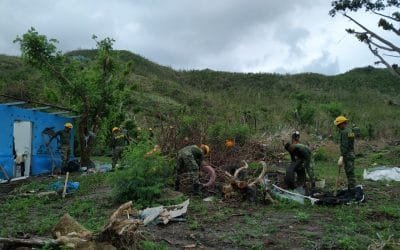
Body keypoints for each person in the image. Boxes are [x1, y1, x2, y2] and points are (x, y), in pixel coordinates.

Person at [334, 115, 356, 196]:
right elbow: (351, 143)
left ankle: (352, 191)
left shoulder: (344, 132)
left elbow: (345, 145)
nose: (338, 127)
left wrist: (342, 156)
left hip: (347, 155)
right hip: (351, 154)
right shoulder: (350, 131)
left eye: (339, 125)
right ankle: (351, 189)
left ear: (343, 123)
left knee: (350, 173)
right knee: (351, 172)